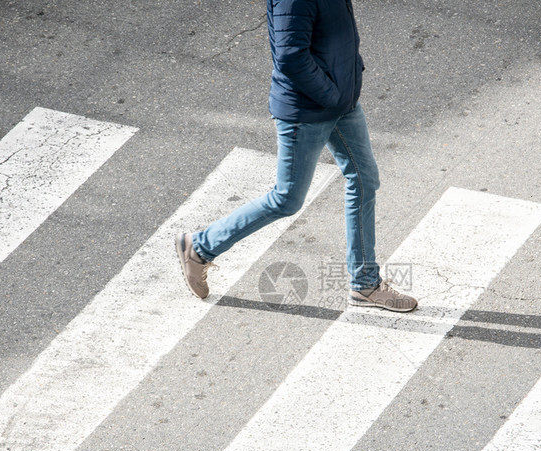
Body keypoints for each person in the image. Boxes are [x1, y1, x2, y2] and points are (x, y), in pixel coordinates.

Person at [175, 0, 417, 313]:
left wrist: (348, 79)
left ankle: (365, 283)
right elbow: (290, 55)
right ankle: (200, 246)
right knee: (287, 198)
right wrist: (331, 94)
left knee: (364, 178)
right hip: (307, 111)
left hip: (341, 104)